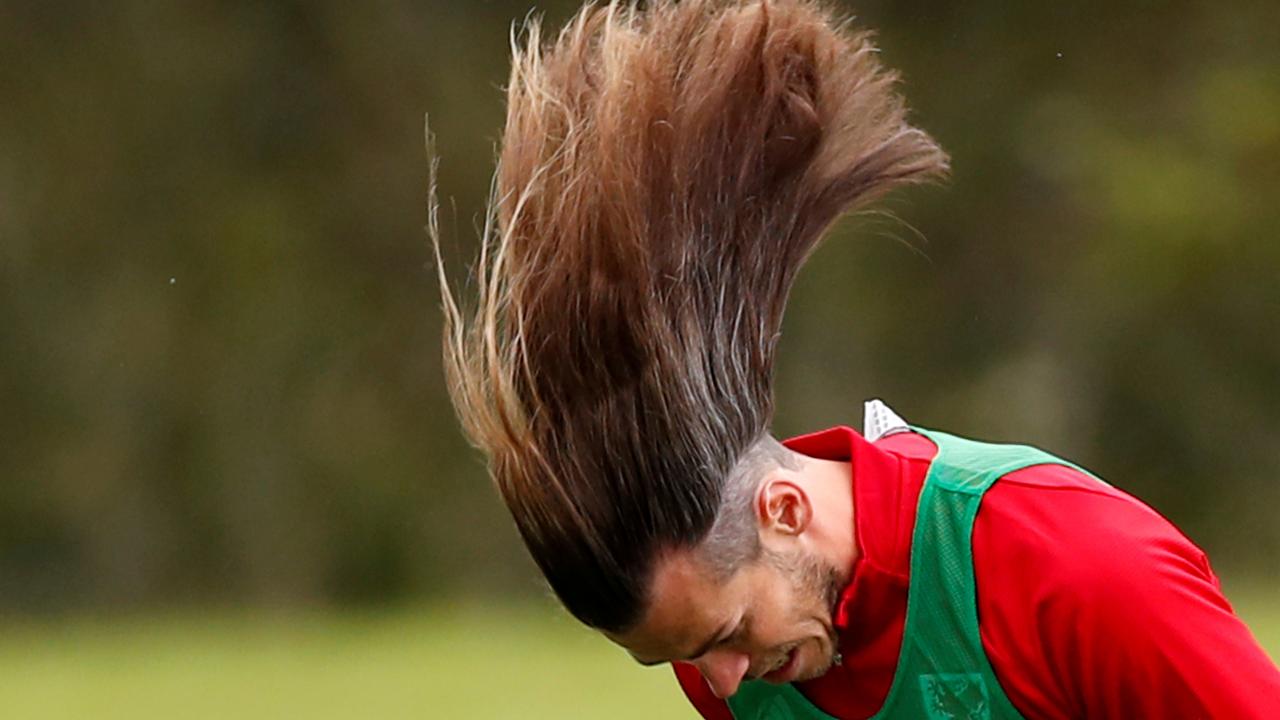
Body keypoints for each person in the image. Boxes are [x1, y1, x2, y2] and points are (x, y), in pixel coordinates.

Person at [430, 0, 1280, 717]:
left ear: (787, 511)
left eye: (724, 638)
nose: (718, 683)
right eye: (687, 660)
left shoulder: (1081, 568)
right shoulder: (728, 656)